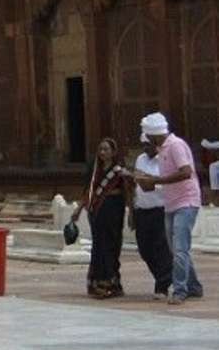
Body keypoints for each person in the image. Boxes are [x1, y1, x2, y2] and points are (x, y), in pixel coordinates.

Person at [132, 113, 204, 305]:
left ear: (154, 135)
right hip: (171, 203)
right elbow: (163, 179)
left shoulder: (175, 145)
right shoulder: (162, 149)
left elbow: (186, 172)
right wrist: (148, 181)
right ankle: (194, 286)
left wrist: (156, 180)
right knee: (176, 249)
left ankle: (180, 290)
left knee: (180, 248)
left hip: (186, 201)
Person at [83, 138, 131, 299]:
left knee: (112, 243)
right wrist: (78, 210)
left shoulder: (118, 171)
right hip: (97, 210)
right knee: (99, 245)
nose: (103, 152)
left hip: (114, 208)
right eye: (100, 149)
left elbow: (127, 191)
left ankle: (112, 282)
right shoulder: (95, 169)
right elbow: (89, 191)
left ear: (113, 152)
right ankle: (98, 283)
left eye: (106, 149)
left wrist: (131, 212)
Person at [132, 135, 175, 299]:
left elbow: (167, 181)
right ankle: (163, 277)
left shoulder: (164, 160)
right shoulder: (140, 159)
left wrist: (150, 181)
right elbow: (136, 183)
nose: (145, 148)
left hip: (160, 208)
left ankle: (162, 284)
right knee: (144, 248)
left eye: (148, 145)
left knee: (160, 247)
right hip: (142, 208)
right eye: (143, 145)